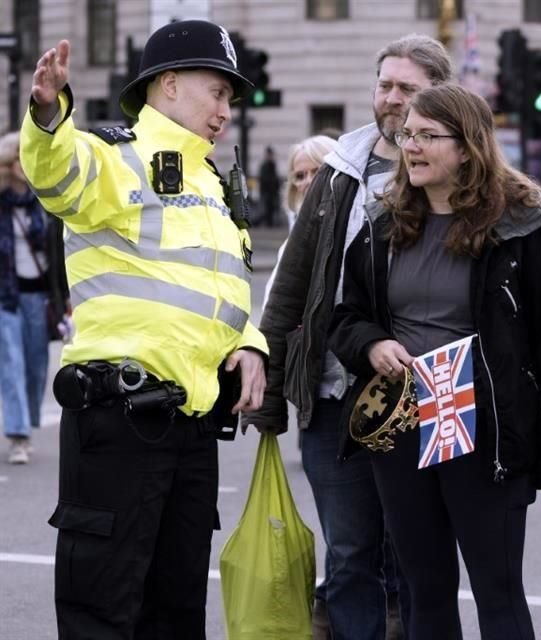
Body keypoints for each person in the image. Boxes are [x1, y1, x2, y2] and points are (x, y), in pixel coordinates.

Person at [21, 21, 268, 637]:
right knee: (104, 610)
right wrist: (49, 115)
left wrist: (251, 344)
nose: (225, 111)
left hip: (191, 424)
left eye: (231, 100)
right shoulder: (114, 152)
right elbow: (57, 173)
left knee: (177, 609)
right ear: (169, 83)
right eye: (216, 92)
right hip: (121, 417)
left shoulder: (213, 185)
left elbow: (224, 292)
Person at [328, 83, 541, 639]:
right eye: (406, 135)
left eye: (427, 136)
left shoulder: (521, 228)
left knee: (497, 592)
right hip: (400, 427)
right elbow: (343, 317)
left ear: (467, 147)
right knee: (425, 590)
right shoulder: (381, 225)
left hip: (484, 432)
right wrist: (371, 342)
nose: (411, 146)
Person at [244, 34, 454, 640]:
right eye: (384, 85)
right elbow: (294, 279)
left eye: (407, 88)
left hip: (415, 396)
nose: (391, 99)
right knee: (350, 557)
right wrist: (271, 374)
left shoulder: (452, 169)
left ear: (437, 96)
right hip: (334, 395)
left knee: (416, 560)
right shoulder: (341, 169)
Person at [0, 130, 63, 464]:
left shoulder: (45, 204)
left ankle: (26, 422)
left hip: (38, 295)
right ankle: (18, 434)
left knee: (37, 365)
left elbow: (58, 253)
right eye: (17, 160)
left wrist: (63, 295)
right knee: (11, 363)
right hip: (5, 295)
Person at [261, 134, 336, 310]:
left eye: (317, 171)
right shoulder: (292, 242)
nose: (308, 181)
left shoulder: (354, 231)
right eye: (300, 176)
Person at [258, 145, 280, 227]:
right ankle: (268, 223)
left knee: (271, 208)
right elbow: (264, 179)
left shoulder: (272, 165)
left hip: (272, 192)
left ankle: (270, 223)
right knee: (266, 208)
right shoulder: (265, 166)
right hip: (266, 191)